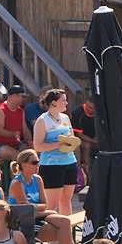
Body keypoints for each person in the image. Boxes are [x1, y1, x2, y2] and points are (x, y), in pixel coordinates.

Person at [8, 149, 78, 244]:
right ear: (24, 165)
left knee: (65, 222)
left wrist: (41, 210)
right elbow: (26, 210)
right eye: (34, 162)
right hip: (24, 223)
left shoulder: (37, 179)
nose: (38, 165)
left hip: (38, 216)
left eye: (38, 162)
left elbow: (44, 204)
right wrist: (45, 211)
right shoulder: (17, 183)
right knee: (63, 231)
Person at [32, 88, 79, 216]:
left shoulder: (65, 118)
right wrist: (58, 144)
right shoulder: (42, 120)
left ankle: (67, 227)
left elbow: (71, 137)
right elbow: (37, 146)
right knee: (52, 205)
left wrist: (71, 142)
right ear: (53, 103)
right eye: (63, 100)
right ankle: (51, 229)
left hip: (69, 162)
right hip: (51, 165)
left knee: (66, 201)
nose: (66, 103)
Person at [0, 84, 32, 161]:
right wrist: (14, 134)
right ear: (12, 96)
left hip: (16, 143)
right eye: (21, 96)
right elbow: (0, 131)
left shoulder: (21, 111)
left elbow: (25, 130)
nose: (23, 99)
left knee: (30, 154)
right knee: (19, 157)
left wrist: (30, 142)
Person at [70, 98, 97, 174]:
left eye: (92, 108)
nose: (90, 109)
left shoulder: (100, 112)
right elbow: (79, 135)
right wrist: (94, 141)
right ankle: (86, 169)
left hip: (95, 137)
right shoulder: (77, 113)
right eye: (88, 107)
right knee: (86, 146)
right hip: (80, 138)